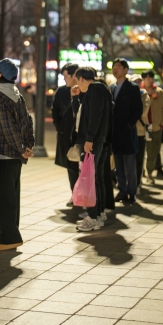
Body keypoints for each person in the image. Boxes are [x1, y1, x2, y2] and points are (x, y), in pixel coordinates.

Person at [0, 58, 34, 251]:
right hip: (14, 156)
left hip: (3, 155)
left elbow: (6, 128)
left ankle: (11, 237)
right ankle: (6, 232)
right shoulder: (17, 95)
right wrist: (27, 145)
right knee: (11, 196)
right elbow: (27, 121)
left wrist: (22, 148)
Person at [71, 66, 112, 231]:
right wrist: (77, 97)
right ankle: (99, 212)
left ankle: (93, 216)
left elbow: (94, 117)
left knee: (91, 177)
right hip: (100, 140)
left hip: (93, 141)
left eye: (77, 81)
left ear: (81, 79)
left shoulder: (95, 90)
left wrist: (89, 139)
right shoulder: (101, 90)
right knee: (97, 177)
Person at [110, 58, 143, 203]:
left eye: (118, 66)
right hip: (115, 132)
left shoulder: (132, 88)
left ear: (125, 70)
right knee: (118, 165)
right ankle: (122, 190)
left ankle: (132, 192)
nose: (115, 69)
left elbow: (138, 110)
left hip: (127, 132)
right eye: (114, 67)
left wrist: (129, 125)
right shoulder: (111, 88)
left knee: (130, 165)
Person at [52, 63, 80, 206]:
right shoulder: (61, 92)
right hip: (65, 135)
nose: (64, 79)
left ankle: (83, 195)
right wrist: (59, 127)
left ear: (74, 75)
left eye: (65, 76)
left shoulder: (84, 90)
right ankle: (75, 195)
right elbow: (55, 111)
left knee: (82, 167)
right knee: (71, 166)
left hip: (80, 136)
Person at [143, 71, 163, 185]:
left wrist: (162, 123)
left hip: (155, 126)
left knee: (153, 151)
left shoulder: (159, 92)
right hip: (142, 126)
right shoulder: (140, 91)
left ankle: (149, 173)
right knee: (140, 151)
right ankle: (140, 172)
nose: (150, 80)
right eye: (147, 78)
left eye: (151, 77)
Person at [134, 83, 151, 196]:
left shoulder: (143, 95)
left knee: (139, 160)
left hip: (139, 132)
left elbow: (143, 112)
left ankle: (136, 184)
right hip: (125, 132)